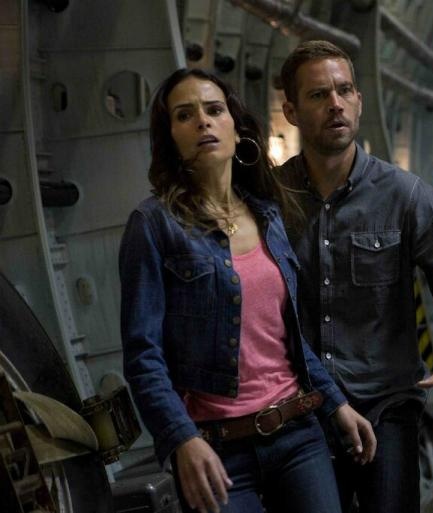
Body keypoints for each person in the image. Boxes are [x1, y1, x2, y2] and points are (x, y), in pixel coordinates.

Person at [119, 68, 376, 513]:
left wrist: (336, 404)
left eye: (214, 110)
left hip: (298, 435)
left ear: (237, 130)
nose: (203, 121)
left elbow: (286, 338)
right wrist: (180, 439)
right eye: (185, 115)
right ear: (171, 139)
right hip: (216, 450)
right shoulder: (154, 226)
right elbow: (144, 356)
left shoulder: (267, 215)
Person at [278, 41, 433, 513]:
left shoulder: (405, 196)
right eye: (318, 95)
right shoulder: (270, 202)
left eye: (344, 90)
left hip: (385, 408)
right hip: (302, 414)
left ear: (360, 101)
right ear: (291, 112)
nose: (335, 103)